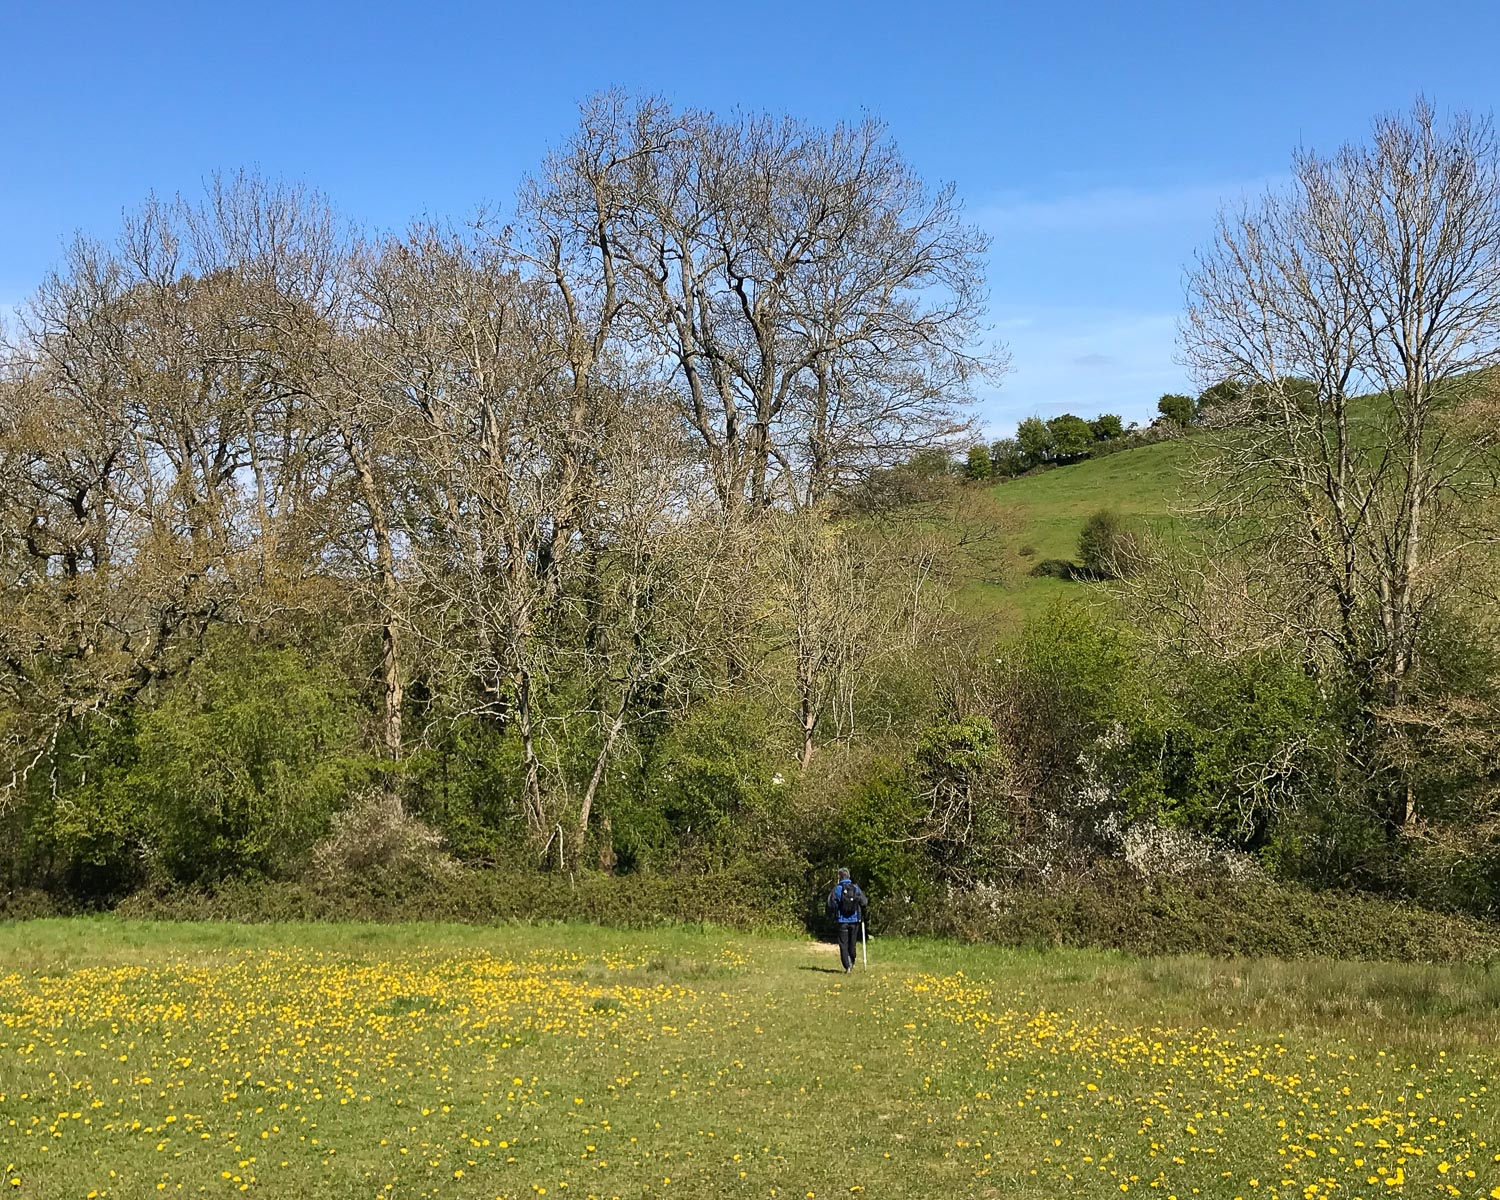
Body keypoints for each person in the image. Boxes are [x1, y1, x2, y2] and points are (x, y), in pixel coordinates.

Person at [825, 868, 867, 972]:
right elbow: (864, 902)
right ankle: (851, 961)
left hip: (842, 921)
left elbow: (831, 903)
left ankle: (847, 965)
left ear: (840, 877)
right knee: (852, 943)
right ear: (848, 876)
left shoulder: (837, 889)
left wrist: (835, 912)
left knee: (843, 944)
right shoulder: (855, 888)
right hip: (854, 921)